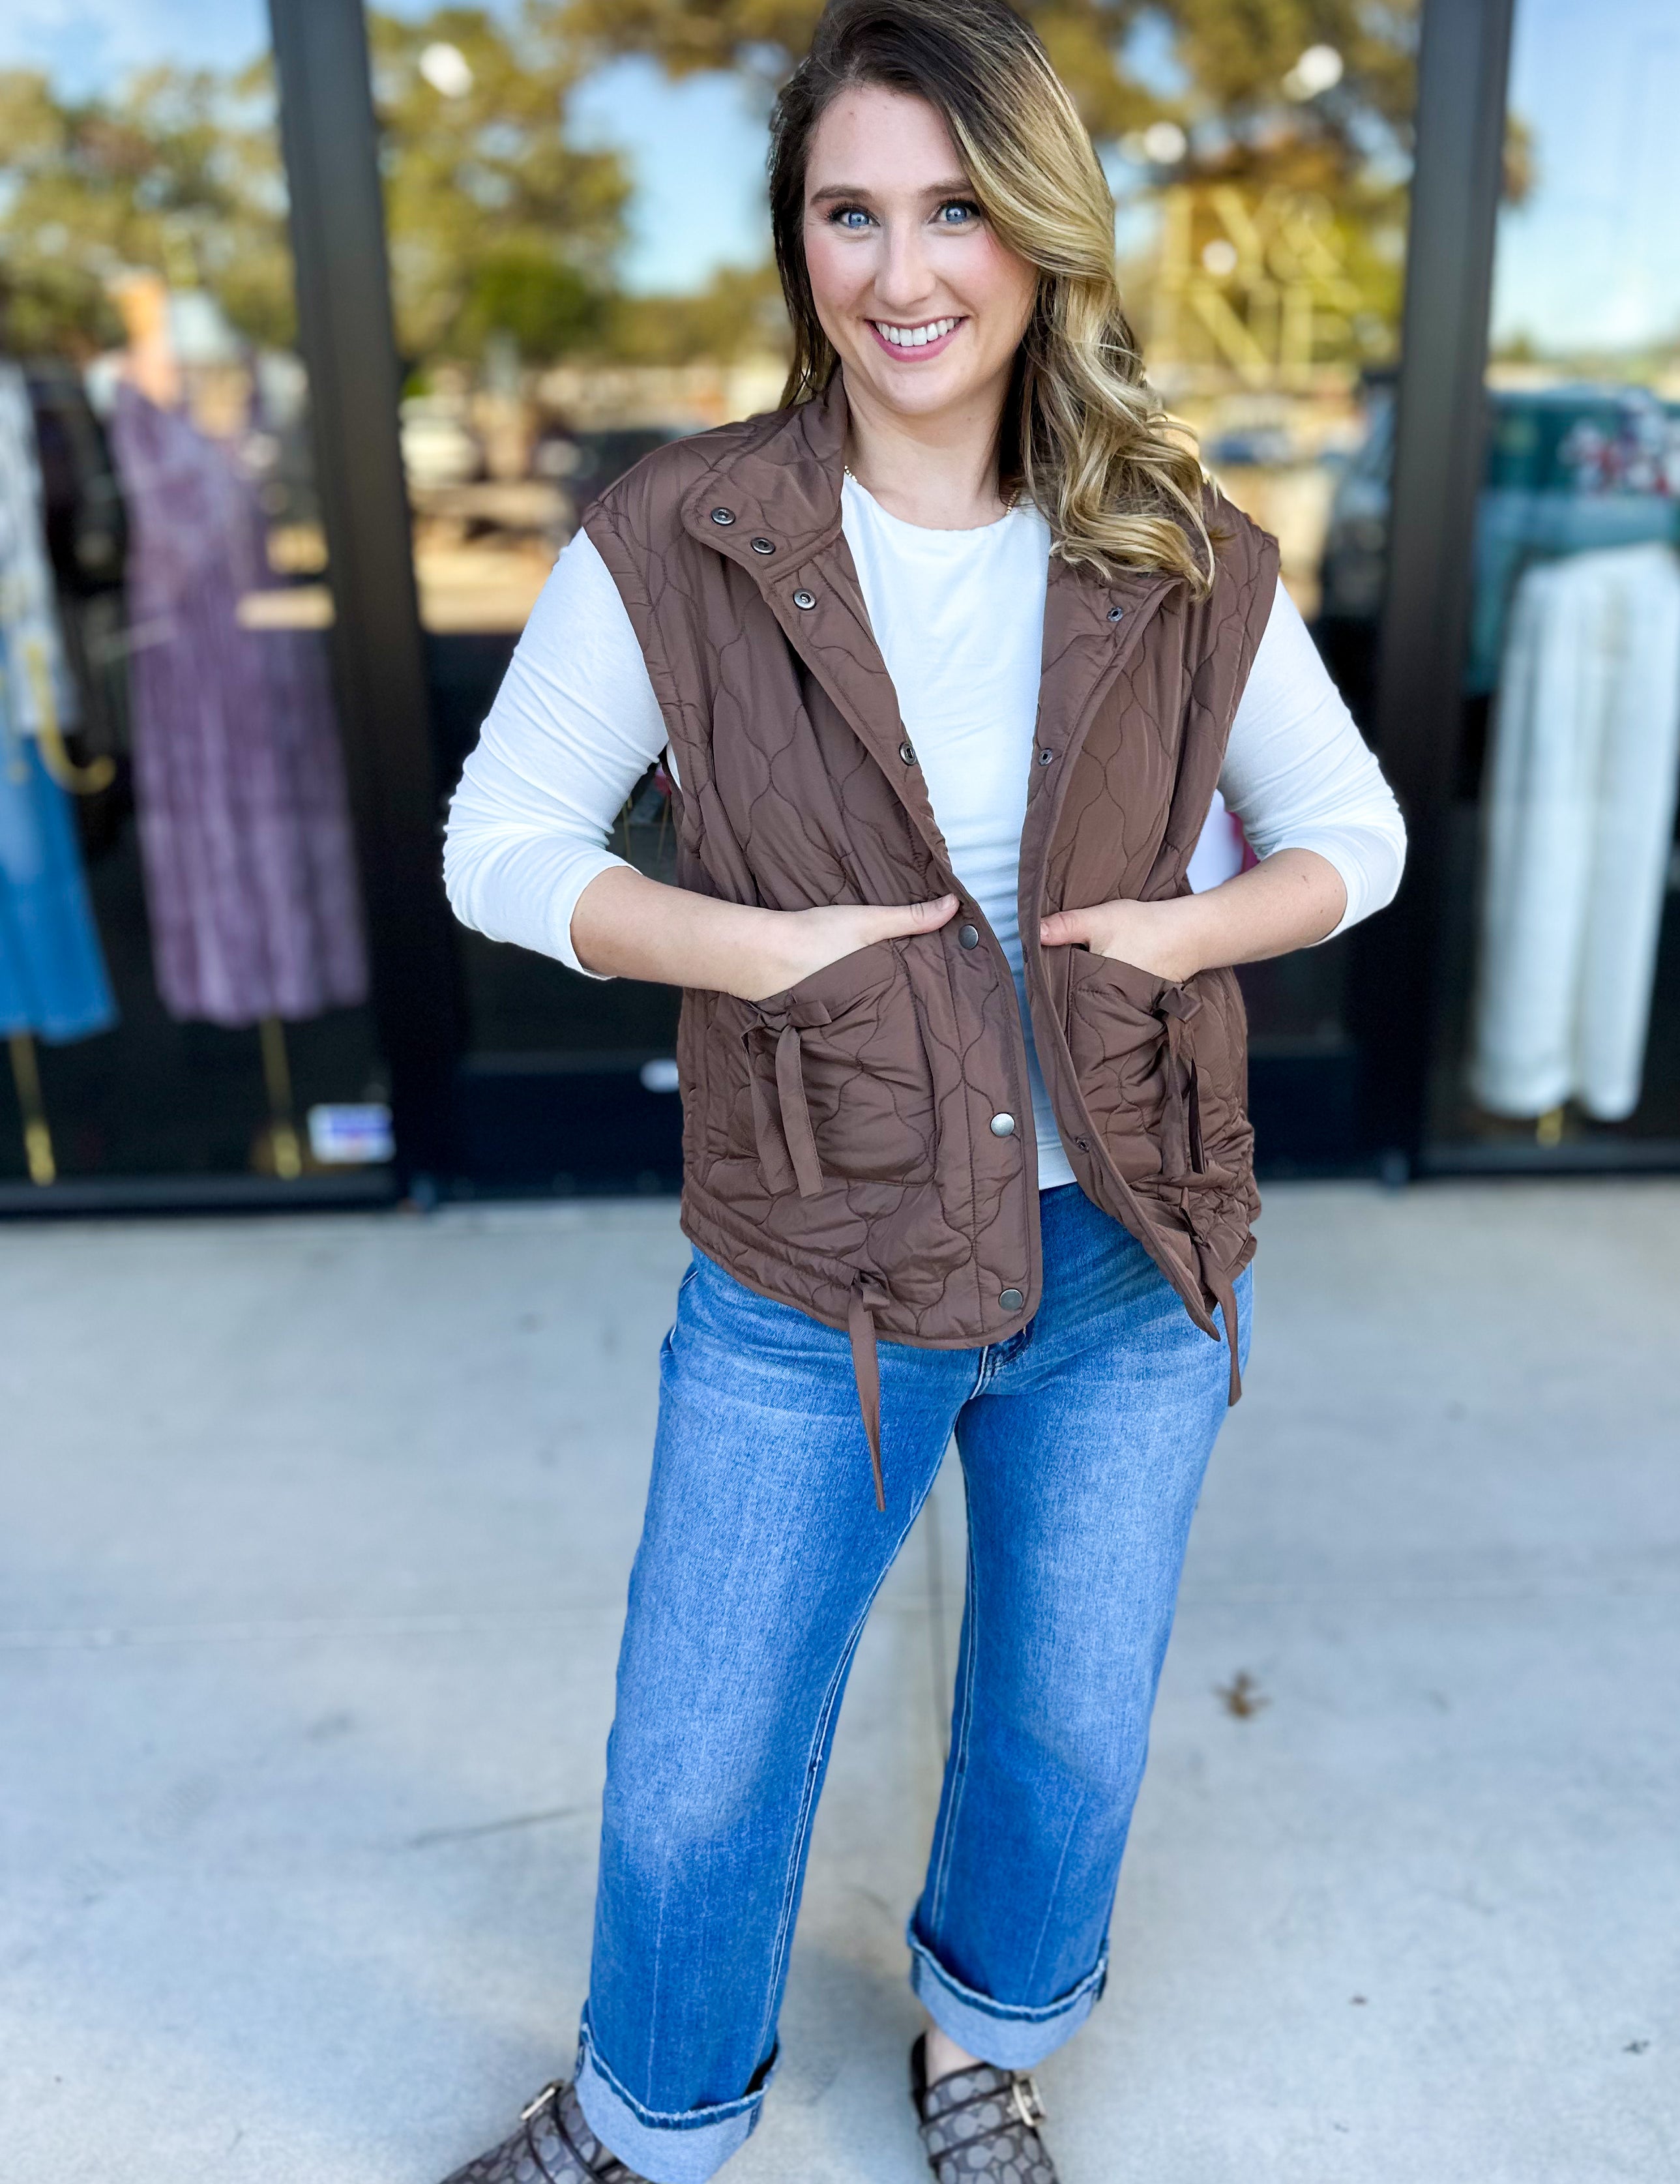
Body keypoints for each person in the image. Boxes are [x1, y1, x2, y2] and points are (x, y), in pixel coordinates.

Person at [439, 3, 1405, 2177]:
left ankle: (985, 2040)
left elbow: (1356, 835)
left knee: (1060, 1731)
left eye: (957, 209)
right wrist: (738, 947)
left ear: (1043, 238)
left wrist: (1182, 934)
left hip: (1122, 1254)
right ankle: (645, 2117)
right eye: (847, 212)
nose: (902, 272)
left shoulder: (1172, 541)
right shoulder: (674, 535)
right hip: (818, 1261)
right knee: (698, 1755)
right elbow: (500, 850)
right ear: (796, 246)